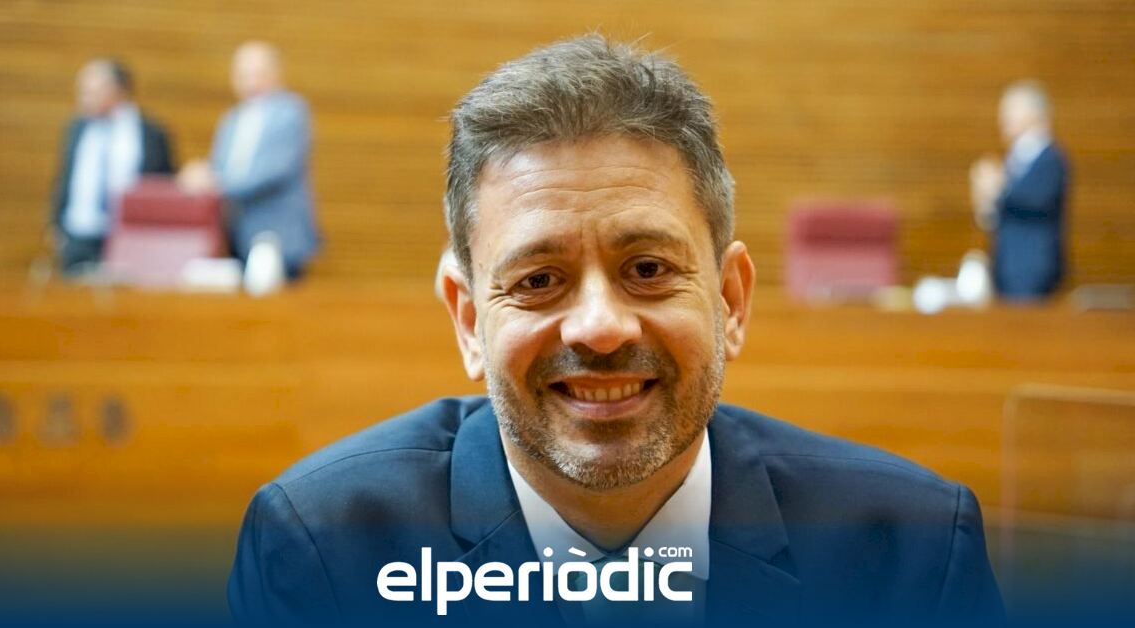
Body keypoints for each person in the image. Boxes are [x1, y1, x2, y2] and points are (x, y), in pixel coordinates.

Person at [229, 36, 1004, 625]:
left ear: (731, 301)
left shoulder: (914, 554)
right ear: (468, 319)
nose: (600, 327)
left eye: (648, 269)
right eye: (538, 281)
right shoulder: (321, 553)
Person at [178, 41, 320, 280]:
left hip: (278, 233)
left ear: (276, 74)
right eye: (244, 75)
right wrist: (201, 175)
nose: (251, 82)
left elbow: (275, 170)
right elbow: (221, 166)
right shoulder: (232, 119)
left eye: (258, 74)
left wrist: (216, 183)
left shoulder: (290, 112)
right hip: (236, 231)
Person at [49, 58, 175, 275]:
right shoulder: (76, 128)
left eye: (91, 91)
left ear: (118, 91)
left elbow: (163, 185)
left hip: (130, 236)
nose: (83, 98)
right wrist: (55, 224)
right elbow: (65, 177)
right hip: (79, 235)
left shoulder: (151, 133)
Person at [970, 80, 1070, 301]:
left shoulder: (1051, 159)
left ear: (1034, 113)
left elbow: (1034, 200)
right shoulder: (1014, 159)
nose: (1002, 118)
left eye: (1010, 110)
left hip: (1033, 268)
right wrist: (985, 197)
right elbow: (997, 215)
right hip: (1006, 266)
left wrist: (997, 186)